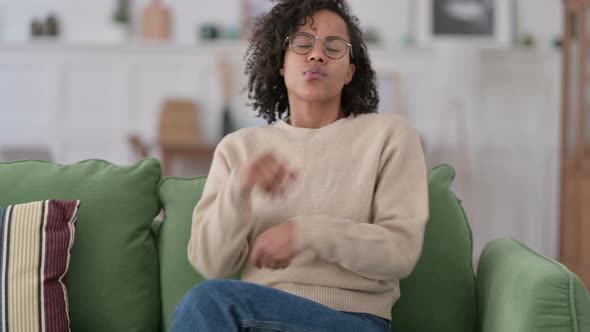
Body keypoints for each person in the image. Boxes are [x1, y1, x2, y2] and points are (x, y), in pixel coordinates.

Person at [170, 0, 428, 331]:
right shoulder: (239, 149)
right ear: (281, 62)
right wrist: (239, 188)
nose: (317, 55)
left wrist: (305, 234)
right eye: (302, 43)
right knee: (206, 301)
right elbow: (211, 263)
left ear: (350, 70)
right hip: (255, 318)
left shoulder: (389, 136)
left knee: (208, 302)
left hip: (353, 320)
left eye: (333, 47)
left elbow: (400, 251)